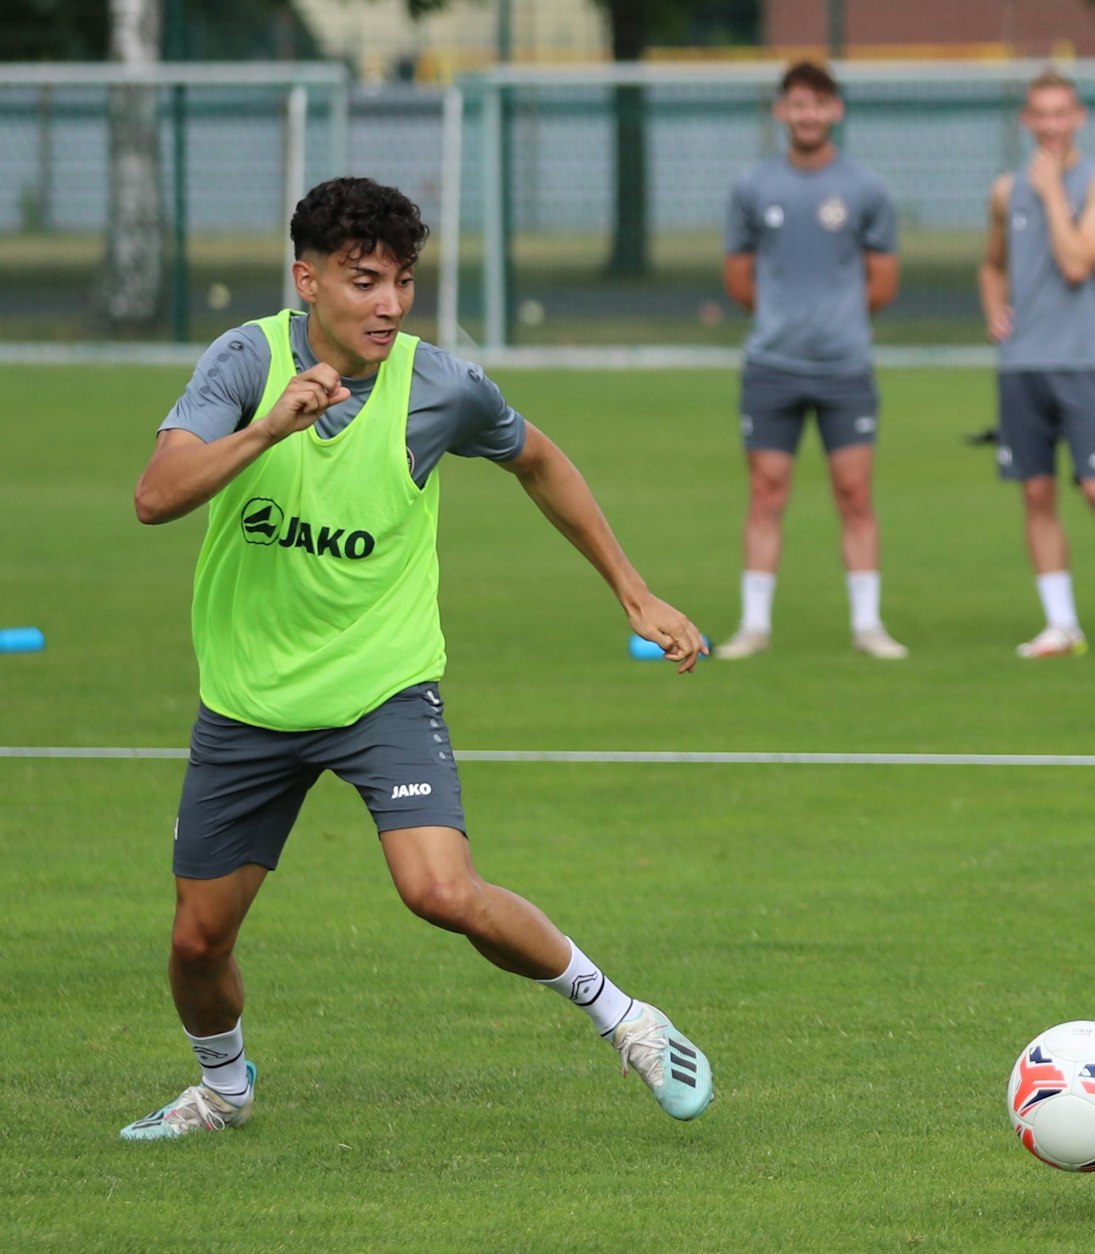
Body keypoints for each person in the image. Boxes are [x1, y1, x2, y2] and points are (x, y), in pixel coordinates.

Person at [122, 177, 714, 1140]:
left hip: (382, 689)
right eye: (364, 281)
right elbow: (154, 496)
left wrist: (634, 592)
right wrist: (269, 427)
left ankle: (629, 1021)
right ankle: (224, 1090)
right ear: (307, 281)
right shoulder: (244, 360)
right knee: (197, 942)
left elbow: (539, 459)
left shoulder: (441, 386)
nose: (390, 303)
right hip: (249, 701)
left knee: (440, 891)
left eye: (403, 281)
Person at [717, 61, 906, 661]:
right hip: (772, 366)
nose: (807, 115)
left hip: (845, 368)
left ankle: (868, 625)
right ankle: (754, 626)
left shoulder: (866, 189)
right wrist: (785, 320)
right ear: (782, 111)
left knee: (854, 494)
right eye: (797, 104)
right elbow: (738, 278)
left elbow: (883, 282)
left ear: (835, 111)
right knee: (766, 493)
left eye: (818, 104)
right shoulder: (753, 186)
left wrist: (834, 321)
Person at [979, 68, 1095, 660]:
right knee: (1036, 494)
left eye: (1062, 113)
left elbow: (1079, 261)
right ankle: (1061, 625)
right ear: (1026, 120)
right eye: (1041, 114)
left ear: (1078, 117)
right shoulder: (1005, 191)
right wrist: (995, 309)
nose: (1052, 125)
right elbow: (991, 263)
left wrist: (1053, 193)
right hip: (1021, 366)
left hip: (1079, 363)